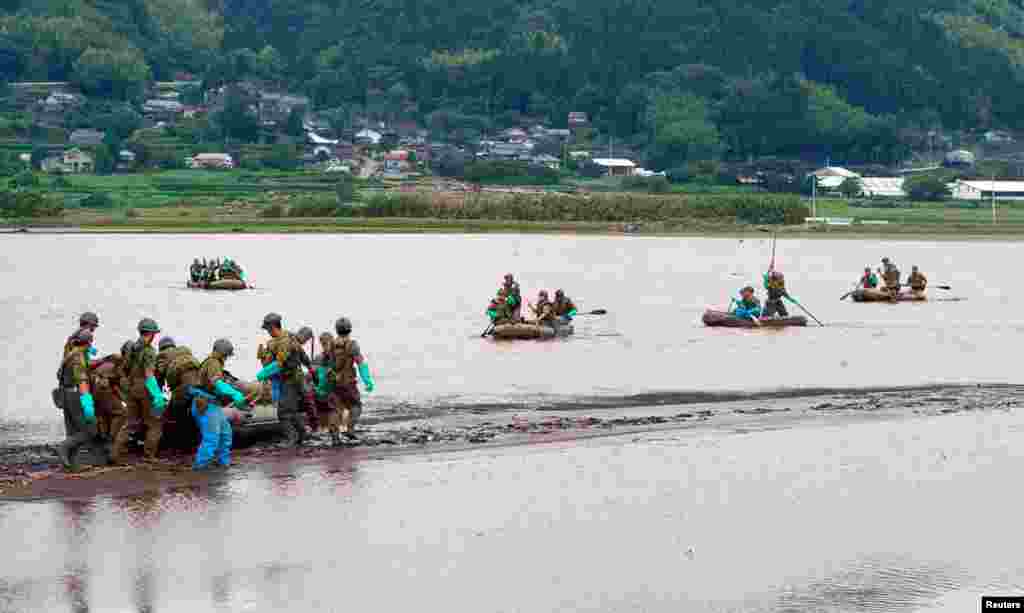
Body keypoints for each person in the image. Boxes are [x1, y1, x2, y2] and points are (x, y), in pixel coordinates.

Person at [111, 318, 167, 465]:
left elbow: (124, 369)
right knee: (154, 423)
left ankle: (115, 454)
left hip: (131, 389)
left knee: (130, 423)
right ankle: (149, 456)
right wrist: (157, 395)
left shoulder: (131, 348)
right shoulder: (149, 351)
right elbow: (149, 374)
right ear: (152, 333)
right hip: (145, 389)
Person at [55, 329, 109, 471]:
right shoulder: (78, 357)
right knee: (89, 430)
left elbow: (84, 366)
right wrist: (88, 406)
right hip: (75, 395)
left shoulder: (73, 353)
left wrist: (102, 360)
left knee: (73, 431)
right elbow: (82, 381)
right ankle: (63, 447)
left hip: (65, 394)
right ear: (89, 342)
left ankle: (72, 465)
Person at [256, 313, 311, 445]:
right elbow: (302, 355)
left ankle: (291, 438)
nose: (268, 332)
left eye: (268, 329)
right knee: (292, 410)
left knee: (283, 413)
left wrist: (262, 374)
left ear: (273, 327)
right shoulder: (283, 339)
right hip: (286, 379)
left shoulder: (285, 341)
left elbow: (280, 363)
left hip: (290, 379)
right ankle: (302, 434)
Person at [193, 339, 249, 470]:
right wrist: (235, 394)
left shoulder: (213, 362)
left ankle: (223, 463)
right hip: (206, 406)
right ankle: (200, 468)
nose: (227, 358)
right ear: (221, 352)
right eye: (226, 355)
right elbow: (217, 383)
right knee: (211, 439)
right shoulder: (213, 362)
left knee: (225, 434)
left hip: (214, 406)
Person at [316, 317, 375, 442]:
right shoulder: (352, 345)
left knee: (335, 409)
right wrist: (367, 381)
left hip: (333, 383)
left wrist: (321, 385)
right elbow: (361, 363)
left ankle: (335, 437)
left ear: (336, 330)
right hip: (348, 383)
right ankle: (350, 429)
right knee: (356, 406)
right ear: (350, 330)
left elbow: (322, 366)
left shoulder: (330, 344)